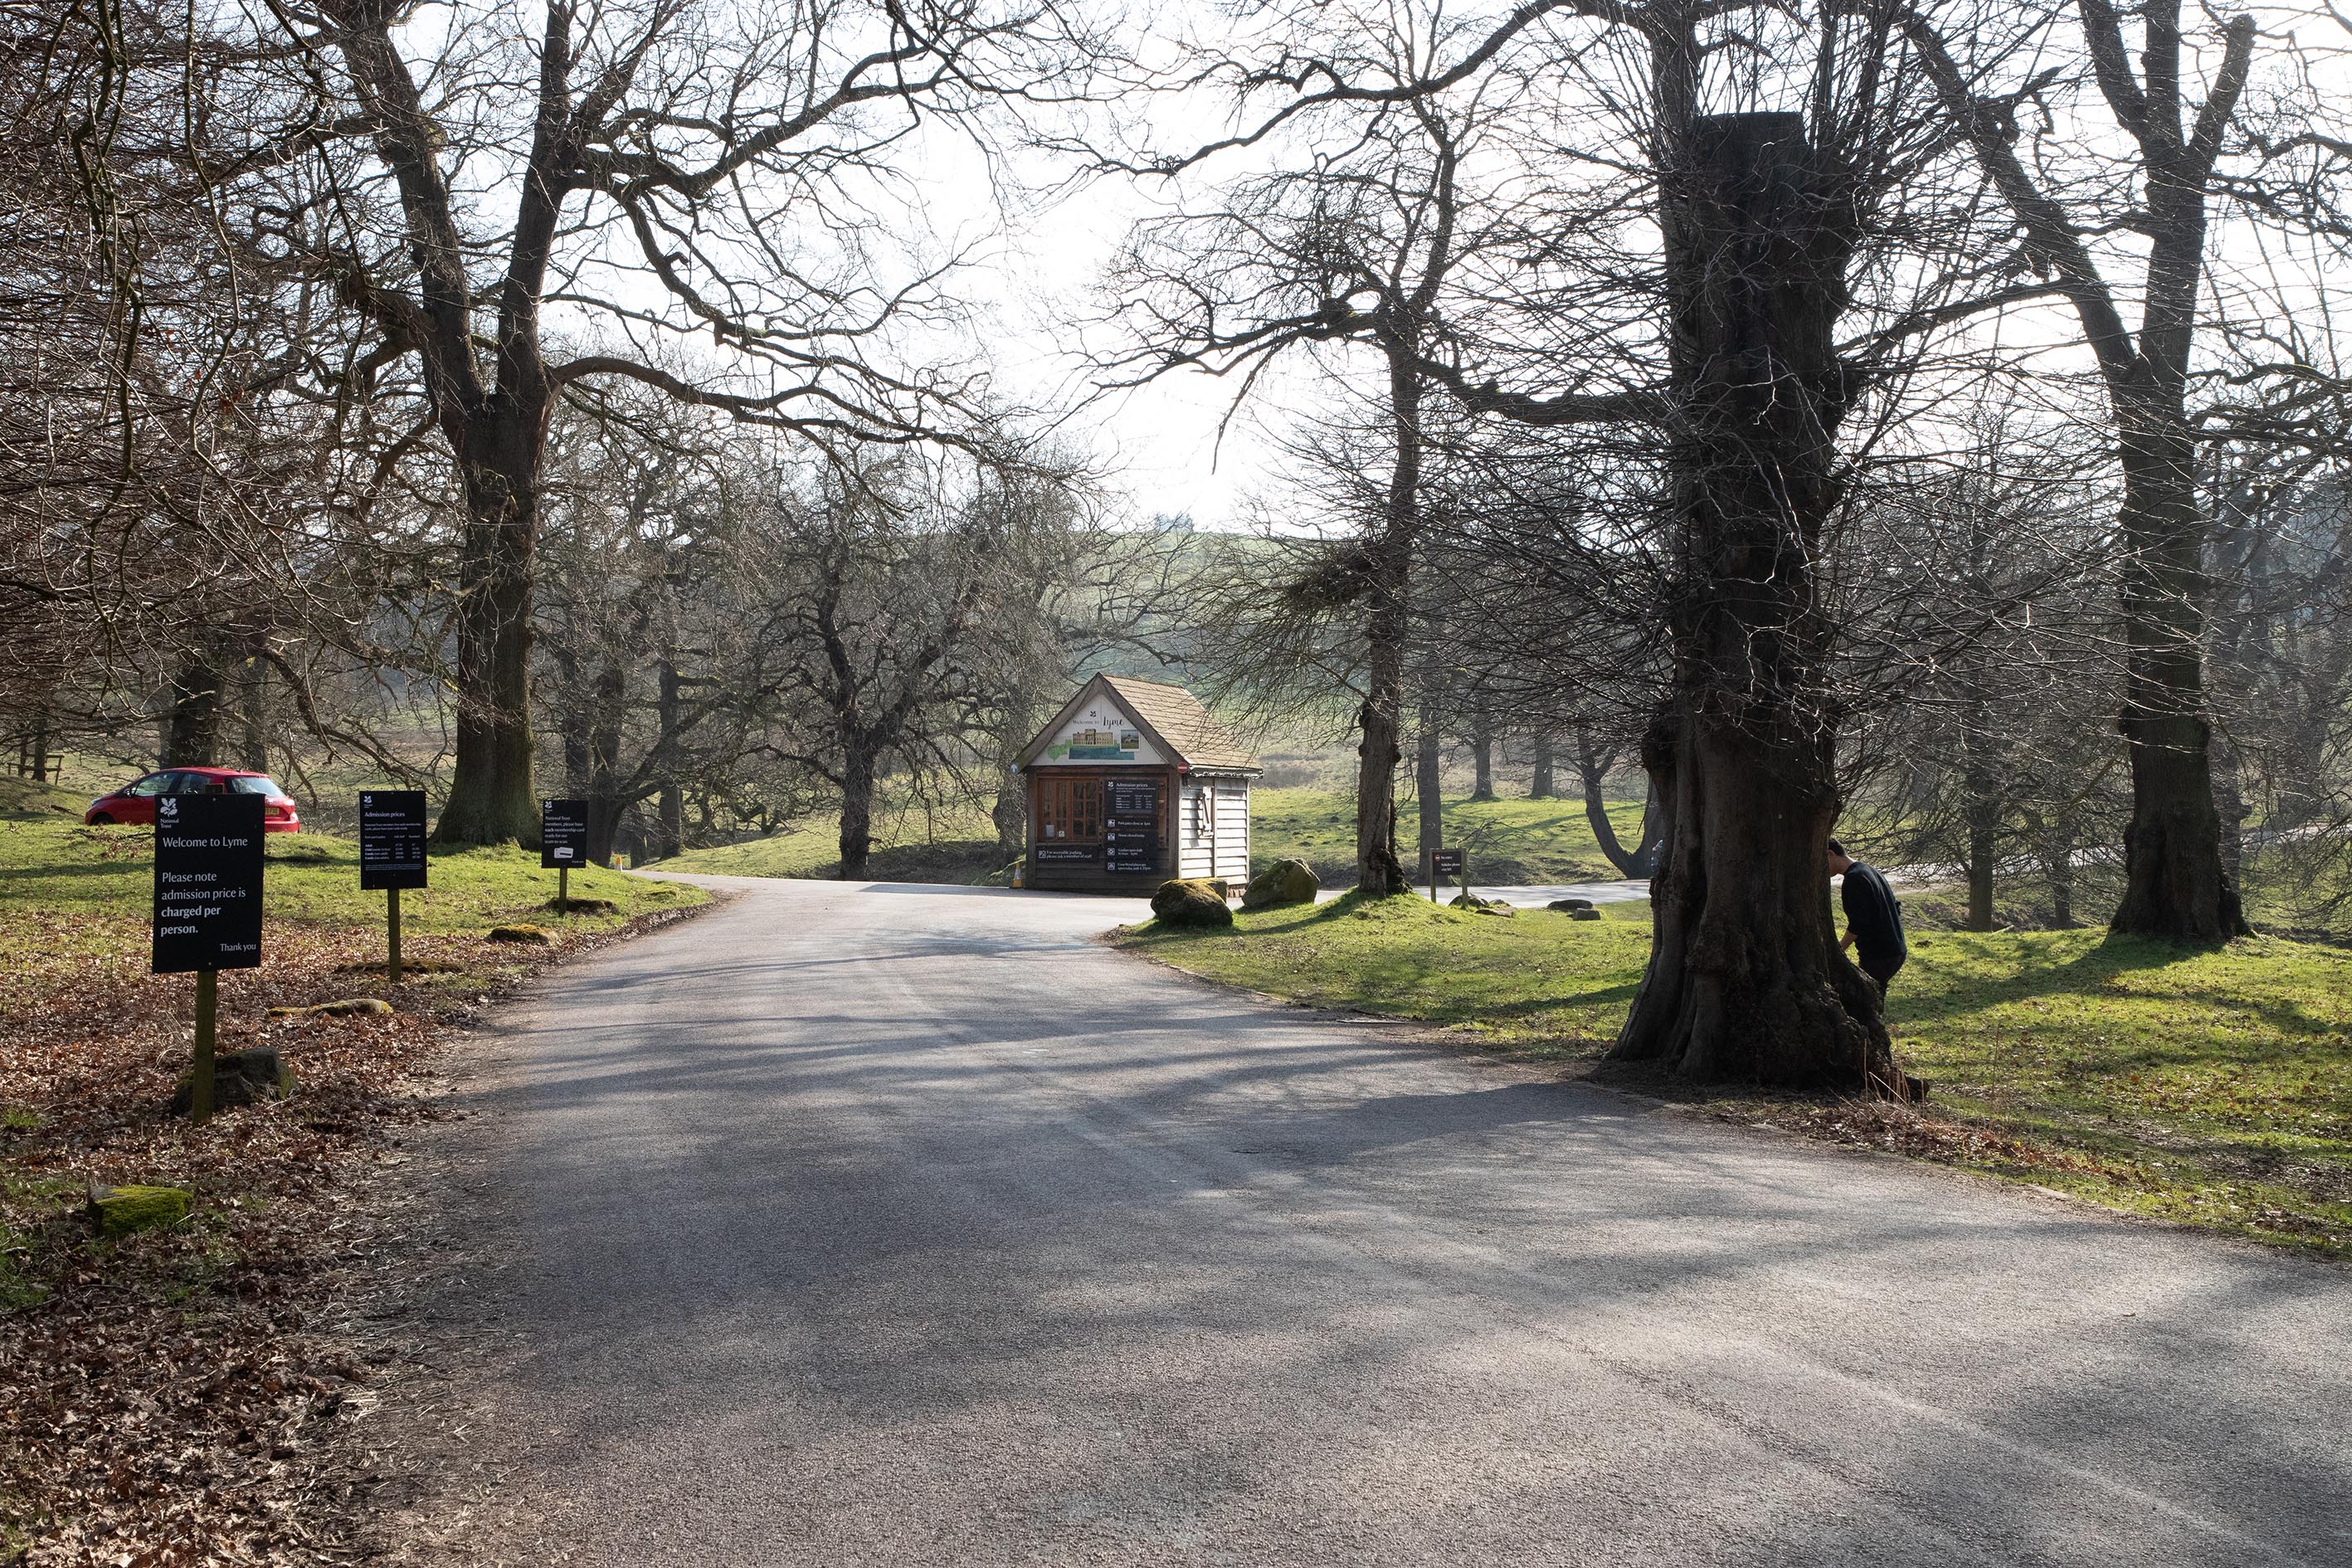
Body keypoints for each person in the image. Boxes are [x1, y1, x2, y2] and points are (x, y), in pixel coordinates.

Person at [1827, 838, 1906, 998]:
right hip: (1897, 948)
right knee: (1873, 995)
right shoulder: (1869, 870)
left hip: (1879, 954)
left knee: (1868, 999)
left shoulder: (1854, 879)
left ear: (1830, 854)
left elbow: (1859, 923)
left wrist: (1838, 950)